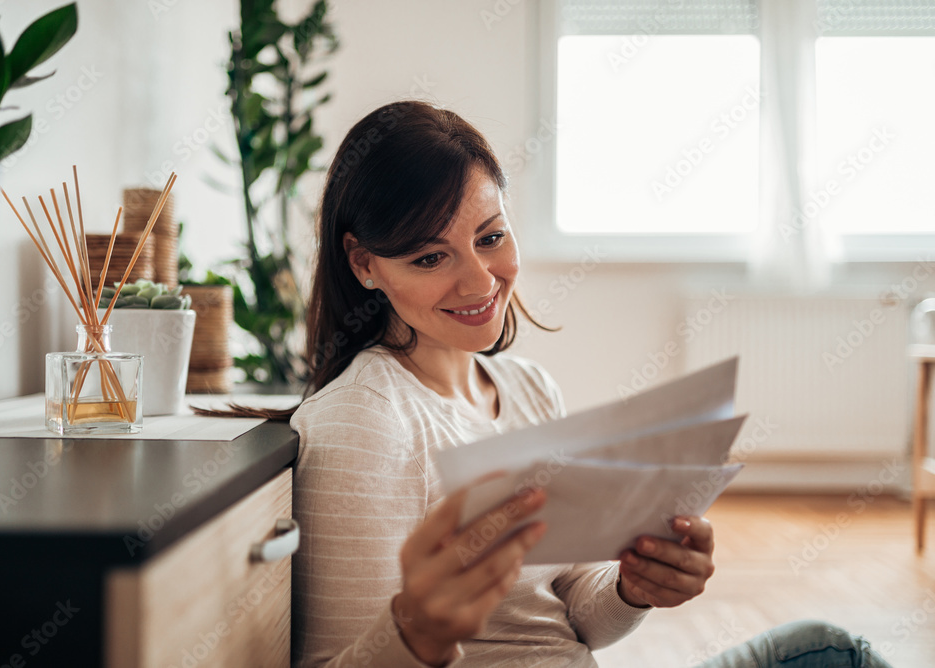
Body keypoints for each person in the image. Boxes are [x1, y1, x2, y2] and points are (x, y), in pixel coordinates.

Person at [265, 100, 893, 667]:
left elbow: (570, 616)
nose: (481, 282)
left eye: (491, 238)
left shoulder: (529, 388)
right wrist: (417, 634)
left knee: (827, 647)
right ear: (364, 264)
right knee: (829, 653)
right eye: (430, 257)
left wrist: (632, 587)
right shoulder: (363, 419)